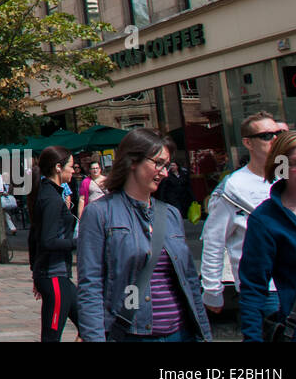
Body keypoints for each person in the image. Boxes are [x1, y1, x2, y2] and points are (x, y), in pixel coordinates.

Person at [76, 128, 211, 342]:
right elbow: (90, 284)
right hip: (133, 333)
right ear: (133, 161)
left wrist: (204, 334)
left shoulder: (171, 214)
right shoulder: (100, 213)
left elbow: (190, 281)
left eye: (166, 166)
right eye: (158, 163)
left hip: (181, 334)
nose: (164, 173)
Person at [238, 130, 296, 341]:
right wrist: (252, 338)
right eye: (294, 164)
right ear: (280, 166)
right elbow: (253, 288)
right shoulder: (266, 219)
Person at [200, 112, 284, 316]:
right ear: (248, 143)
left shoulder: (292, 177)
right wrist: (212, 290)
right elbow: (214, 240)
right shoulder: (233, 187)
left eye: (278, 134)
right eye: (266, 135)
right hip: (263, 289)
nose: (274, 139)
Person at [29, 146, 80, 342]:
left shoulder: (49, 194)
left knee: (90, 325)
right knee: (51, 338)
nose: (74, 171)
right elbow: (46, 240)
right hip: (53, 275)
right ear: (58, 167)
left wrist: (35, 271)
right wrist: (77, 243)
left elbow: (33, 236)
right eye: (71, 166)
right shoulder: (51, 199)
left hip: (57, 275)